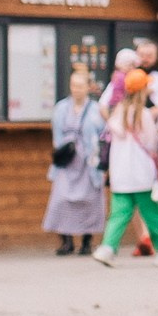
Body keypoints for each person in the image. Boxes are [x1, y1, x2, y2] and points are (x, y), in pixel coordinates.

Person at [96, 66, 158, 265]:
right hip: (142, 174)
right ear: (142, 90)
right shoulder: (144, 115)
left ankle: (107, 248)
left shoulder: (117, 114)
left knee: (118, 215)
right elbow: (153, 144)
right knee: (152, 214)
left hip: (120, 174)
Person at [45, 72, 108, 255]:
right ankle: (66, 241)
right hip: (67, 161)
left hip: (89, 161)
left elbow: (103, 134)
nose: (76, 89)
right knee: (61, 199)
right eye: (73, 85)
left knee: (89, 200)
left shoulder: (96, 109)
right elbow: (57, 136)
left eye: (80, 86)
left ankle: (87, 241)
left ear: (88, 87)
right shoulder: (61, 108)